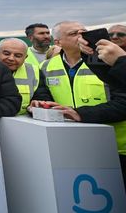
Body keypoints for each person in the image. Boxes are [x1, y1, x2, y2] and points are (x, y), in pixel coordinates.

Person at [30, 21, 126, 184]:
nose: (81, 37)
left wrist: (78, 113)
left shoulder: (106, 63)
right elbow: (43, 95)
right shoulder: (46, 66)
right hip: (71, 146)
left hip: (116, 147)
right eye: (74, 34)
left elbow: (122, 103)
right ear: (58, 42)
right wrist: (40, 104)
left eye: (84, 32)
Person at [0, 38, 39, 114]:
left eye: (18, 56)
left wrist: (36, 105)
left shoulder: (34, 71)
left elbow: (41, 96)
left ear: (25, 57)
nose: (11, 58)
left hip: (23, 122)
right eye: (6, 54)